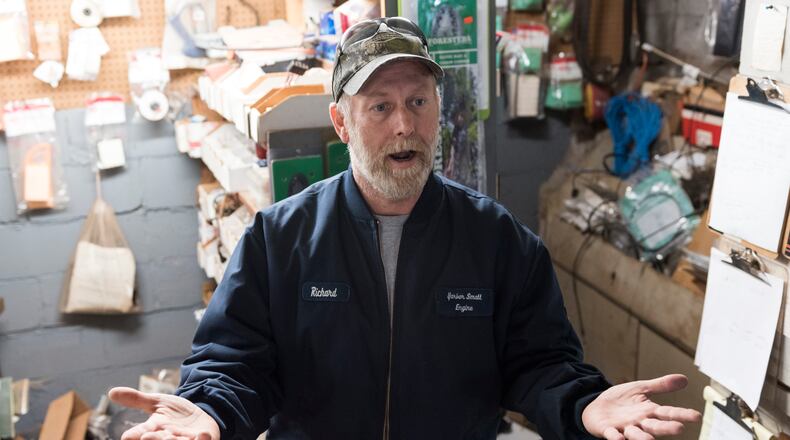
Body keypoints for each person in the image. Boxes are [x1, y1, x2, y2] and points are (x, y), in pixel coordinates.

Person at [109, 17, 701, 440]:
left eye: (418, 102)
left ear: (439, 110)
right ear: (342, 122)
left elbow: (541, 363)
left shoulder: (497, 240)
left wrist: (584, 404)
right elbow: (235, 362)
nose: (404, 126)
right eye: (380, 107)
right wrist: (209, 412)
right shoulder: (279, 239)